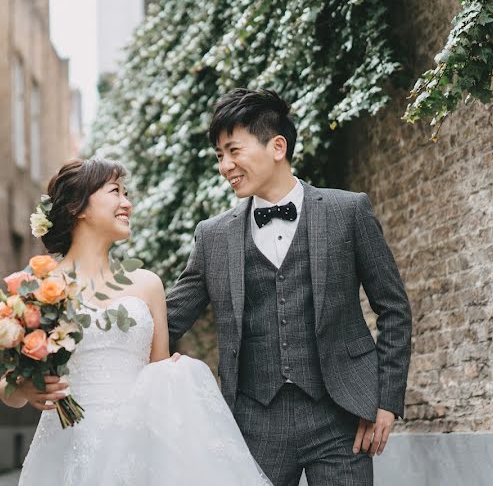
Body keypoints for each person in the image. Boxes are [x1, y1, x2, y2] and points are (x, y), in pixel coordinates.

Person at [166, 88, 413, 486]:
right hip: (252, 423)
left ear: (277, 146)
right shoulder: (212, 237)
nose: (224, 166)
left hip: (341, 417)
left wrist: (386, 400)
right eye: (219, 156)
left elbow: (394, 308)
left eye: (233, 151)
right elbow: (168, 319)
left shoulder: (347, 211)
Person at [0, 158, 272, 485]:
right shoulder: (38, 286)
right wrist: (25, 387)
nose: (127, 202)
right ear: (78, 207)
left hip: (141, 447)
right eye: (115, 191)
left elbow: (157, 374)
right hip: (69, 442)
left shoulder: (147, 284)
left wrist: (174, 373)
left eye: (127, 193)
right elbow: (8, 388)